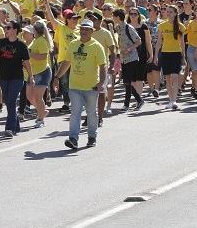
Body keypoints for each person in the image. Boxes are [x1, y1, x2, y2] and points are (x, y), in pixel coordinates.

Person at [53, 19, 107, 149]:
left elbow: (103, 66)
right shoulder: (73, 44)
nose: (84, 32)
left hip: (91, 86)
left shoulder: (96, 46)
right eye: (82, 29)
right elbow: (66, 62)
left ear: (91, 32)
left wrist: (101, 83)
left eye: (87, 30)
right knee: (75, 112)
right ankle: (73, 139)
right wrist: (57, 76)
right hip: (75, 85)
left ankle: (92, 136)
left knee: (91, 113)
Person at [0, 20, 34, 138]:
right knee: (7, 100)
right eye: (5, 27)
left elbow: (27, 62)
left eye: (8, 28)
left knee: (11, 101)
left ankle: (9, 128)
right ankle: (16, 125)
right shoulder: (1, 41)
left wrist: (31, 76)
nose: (6, 30)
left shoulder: (21, 45)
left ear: (15, 30)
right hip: (3, 76)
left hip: (17, 77)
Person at [112, 8, 145, 111]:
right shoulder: (117, 27)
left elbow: (139, 41)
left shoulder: (128, 27)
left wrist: (129, 49)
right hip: (123, 58)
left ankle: (126, 104)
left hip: (132, 57)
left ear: (118, 17)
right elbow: (113, 38)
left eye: (114, 16)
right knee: (127, 81)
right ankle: (139, 100)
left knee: (127, 80)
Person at [155, 5, 186, 109]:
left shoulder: (181, 26)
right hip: (165, 53)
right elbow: (159, 42)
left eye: (170, 12)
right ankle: (170, 100)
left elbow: (182, 42)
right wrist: (156, 56)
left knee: (175, 77)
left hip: (176, 53)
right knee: (167, 78)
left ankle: (174, 100)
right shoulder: (162, 26)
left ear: (175, 13)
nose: (168, 13)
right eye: (167, 11)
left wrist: (183, 56)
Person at [27, 20, 53, 128]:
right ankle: (42, 111)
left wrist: (29, 55)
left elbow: (43, 56)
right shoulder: (35, 40)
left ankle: (40, 119)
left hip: (42, 72)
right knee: (29, 96)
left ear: (35, 30)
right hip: (33, 72)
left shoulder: (41, 41)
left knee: (38, 97)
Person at [185, 5, 197, 100]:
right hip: (191, 48)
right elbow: (184, 32)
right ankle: (193, 87)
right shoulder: (191, 23)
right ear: (194, 13)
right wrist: (188, 20)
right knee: (193, 70)